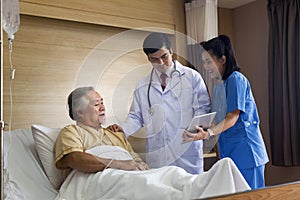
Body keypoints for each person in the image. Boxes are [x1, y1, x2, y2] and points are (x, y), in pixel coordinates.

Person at [109, 32, 211, 174]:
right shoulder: (143, 84)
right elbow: (136, 116)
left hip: (186, 151)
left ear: (171, 51)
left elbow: (203, 109)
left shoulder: (192, 77)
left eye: (164, 56)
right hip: (158, 155)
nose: (161, 63)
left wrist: (193, 132)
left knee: (191, 193)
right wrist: (123, 130)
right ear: (148, 59)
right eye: (154, 59)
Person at [182, 35, 269, 189]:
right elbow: (217, 120)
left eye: (209, 61)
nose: (206, 66)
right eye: (204, 62)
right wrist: (198, 129)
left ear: (222, 59)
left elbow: (232, 117)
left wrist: (208, 134)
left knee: (253, 196)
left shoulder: (237, 80)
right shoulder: (218, 87)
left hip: (247, 153)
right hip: (229, 153)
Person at [54, 86, 149, 180]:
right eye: (96, 104)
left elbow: (137, 163)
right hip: (100, 182)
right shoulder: (71, 132)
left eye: (102, 103)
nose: (102, 108)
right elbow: (75, 159)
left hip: (132, 177)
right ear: (80, 112)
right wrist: (120, 164)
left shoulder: (116, 134)